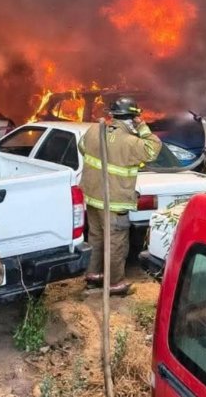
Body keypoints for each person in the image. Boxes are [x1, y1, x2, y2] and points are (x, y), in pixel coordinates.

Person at [78, 96, 162, 295]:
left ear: (112, 115)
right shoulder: (131, 142)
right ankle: (115, 284)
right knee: (116, 243)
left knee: (96, 238)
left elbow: (82, 147)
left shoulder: (93, 131)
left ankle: (93, 276)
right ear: (133, 118)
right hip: (114, 203)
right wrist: (142, 128)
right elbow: (154, 148)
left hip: (92, 197)